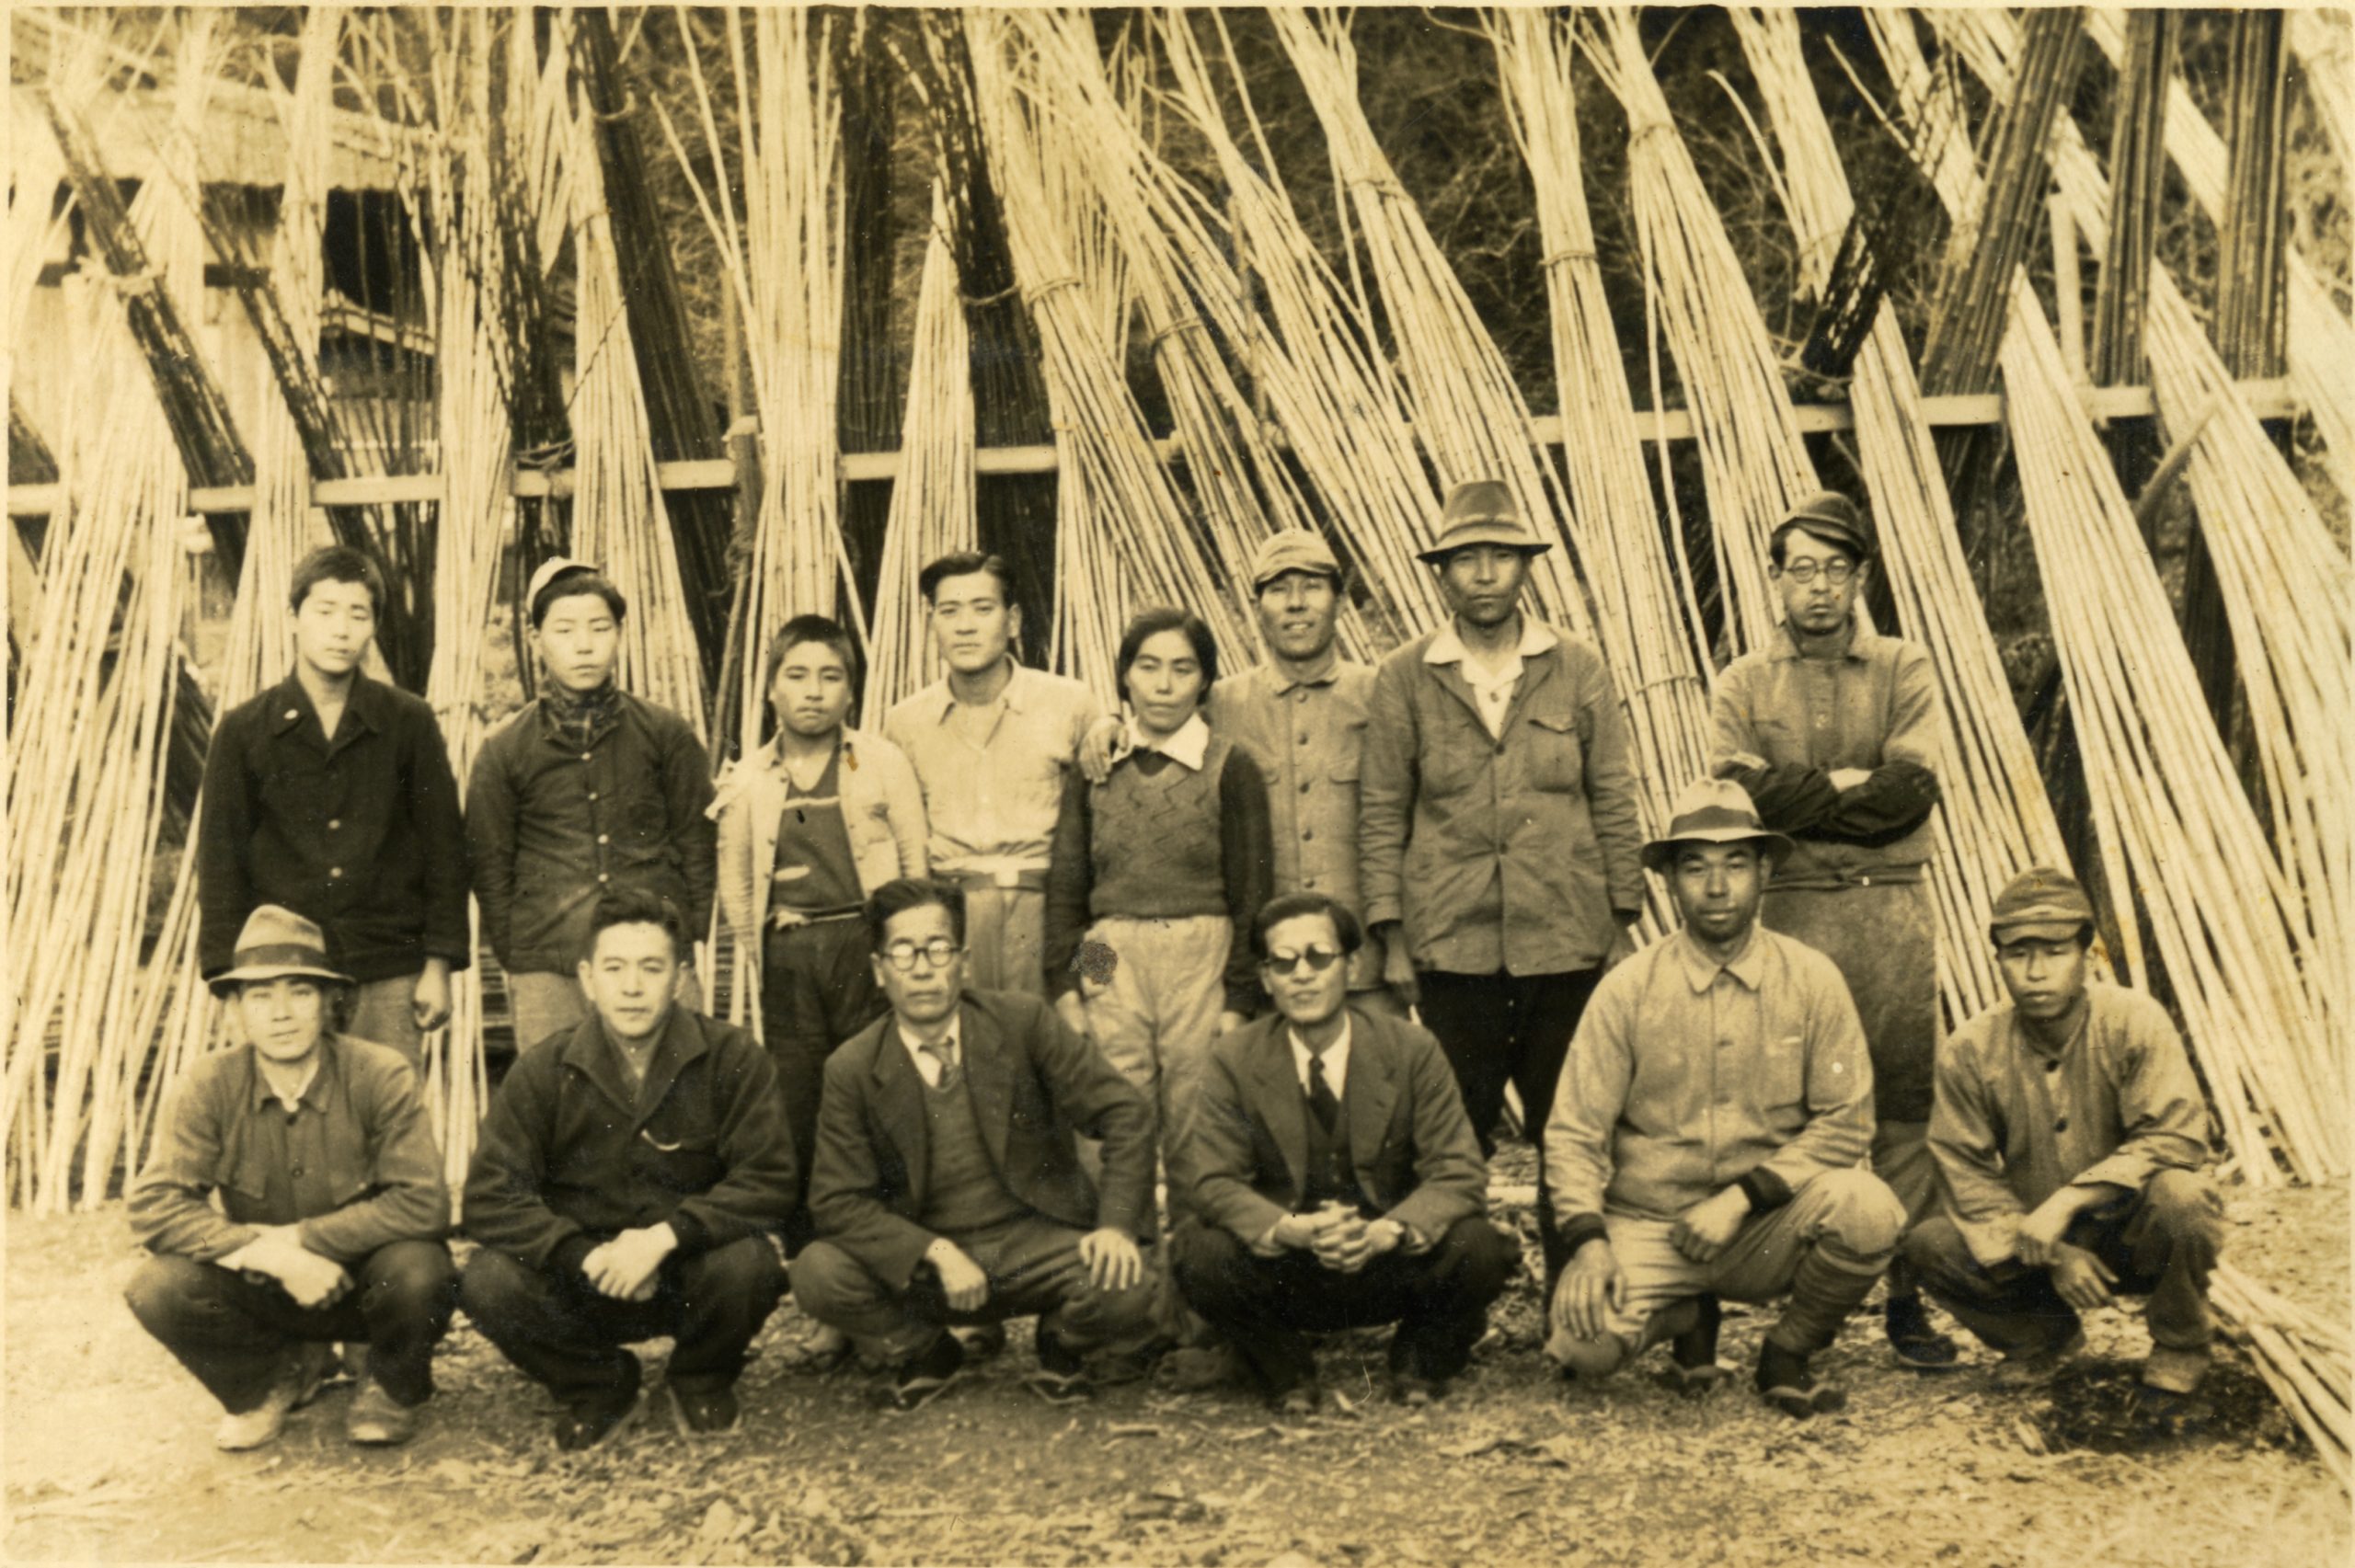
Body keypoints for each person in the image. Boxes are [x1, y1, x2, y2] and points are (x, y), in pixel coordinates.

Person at [1359, 479, 1645, 1290]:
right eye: (1466, 559)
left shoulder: (1577, 667)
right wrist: (1392, 934)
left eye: (1501, 556)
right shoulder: (1405, 676)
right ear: (1441, 573)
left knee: (1569, 1131)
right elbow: (1381, 810)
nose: (1484, 574)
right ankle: (1452, 1305)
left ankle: (1572, 1300)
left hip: (1566, 942)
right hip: (1453, 949)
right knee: (1453, 1136)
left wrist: (1621, 919)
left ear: (1526, 566)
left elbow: (1612, 794)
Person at [1545, 778, 1903, 1419]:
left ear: (1764, 871)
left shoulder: (1812, 978)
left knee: (1868, 1210)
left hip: (1763, 1224)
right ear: (1668, 880)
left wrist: (1740, 1199)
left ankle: (1789, 1350)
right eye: (1695, 866)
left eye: (1736, 863)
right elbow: (1574, 1132)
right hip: (1652, 1223)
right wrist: (1590, 1243)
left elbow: (1848, 1121)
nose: (1717, 887)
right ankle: (1684, 1312)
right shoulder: (1627, 988)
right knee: (1582, 1346)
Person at [1707, 490, 1956, 1369]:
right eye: (1801, 569)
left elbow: (1908, 794)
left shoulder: (1904, 665)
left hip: (1891, 914)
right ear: (1775, 579)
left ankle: (1908, 1300)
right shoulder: (1743, 682)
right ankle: (1802, 1292)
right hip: (1792, 914)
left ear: (1860, 578)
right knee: (1786, 1100)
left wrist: (1804, 792)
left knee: (1903, 1107)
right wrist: (1850, 781)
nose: (1819, 587)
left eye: (1836, 569)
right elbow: (1744, 799)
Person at [792, 879, 1163, 1411]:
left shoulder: (1022, 1022)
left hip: (1032, 1247)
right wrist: (934, 1250)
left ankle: (1062, 1343)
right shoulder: (851, 1067)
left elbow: (1125, 1111)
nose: (923, 969)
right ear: (879, 970)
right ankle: (927, 1350)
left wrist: (1116, 1226)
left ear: (964, 962)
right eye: (903, 952)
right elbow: (836, 1200)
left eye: (938, 949)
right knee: (819, 1273)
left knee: (1130, 1278)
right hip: (928, 1264)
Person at [460, 893, 795, 1449]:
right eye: (614, 968)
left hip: (688, 1274)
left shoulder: (733, 1057)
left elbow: (769, 1180)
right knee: (487, 1281)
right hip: (584, 1279)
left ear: (681, 978)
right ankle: (598, 1384)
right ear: (587, 979)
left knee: (749, 1263)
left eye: (651, 968)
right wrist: (585, 1255)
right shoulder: (542, 1069)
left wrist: (664, 1239)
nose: (632, 987)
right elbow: (490, 1197)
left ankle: (701, 1377)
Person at [125, 906, 457, 1451]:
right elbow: (154, 1205)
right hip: (267, 1283)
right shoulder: (208, 1084)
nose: (281, 1014)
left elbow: (423, 1203)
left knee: (421, 1270)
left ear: (330, 1002)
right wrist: (267, 1254)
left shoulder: (380, 1073)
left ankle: (389, 1384)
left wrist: (302, 1239)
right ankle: (267, 1382)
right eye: (260, 996)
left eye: (300, 992)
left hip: (363, 1278)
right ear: (234, 1010)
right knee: (158, 1286)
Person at [1173, 893, 1517, 1413]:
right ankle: (1285, 1371)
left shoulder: (1411, 1049)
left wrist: (1388, 1232)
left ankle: (1420, 1361)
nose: (1302, 976)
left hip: (1387, 1260)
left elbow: (1459, 1171)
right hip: (1288, 1266)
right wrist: (1290, 1229)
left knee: (1482, 1245)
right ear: (1266, 979)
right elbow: (1214, 1182)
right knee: (1199, 1253)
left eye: (1319, 957)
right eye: (1283, 962)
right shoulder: (1233, 1059)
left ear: (1352, 966)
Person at [1904, 868, 2223, 1410]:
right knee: (1929, 1244)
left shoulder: (2135, 1021)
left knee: (2184, 1199)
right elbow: (1965, 1173)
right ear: (1998, 960)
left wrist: (2071, 1200)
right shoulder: (1971, 1050)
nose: (2035, 973)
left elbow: (2174, 1137)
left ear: (2087, 955)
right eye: (2017, 954)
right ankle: (2043, 1338)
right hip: (2032, 1242)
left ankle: (2181, 1343)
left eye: (2054, 952)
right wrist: (2053, 1252)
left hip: (2134, 1231)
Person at [1045, 607, 1275, 1229]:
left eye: (1182, 668)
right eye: (1148, 667)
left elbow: (1252, 894)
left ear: (1205, 680)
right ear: (1125, 676)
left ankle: (1196, 1268)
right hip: (1111, 947)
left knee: (1196, 1114)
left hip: (1200, 948)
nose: (1164, 685)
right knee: (1114, 1105)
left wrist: (1238, 998)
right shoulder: (1097, 765)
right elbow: (1071, 889)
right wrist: (1070, 986)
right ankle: (1125, 1261)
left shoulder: (1230, 766)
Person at [197, 545, 469, 1070]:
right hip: (283, 973)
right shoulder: (244, 731)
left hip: (389, 966)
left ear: (374, 627)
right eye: (325, 611)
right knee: (292, 1108)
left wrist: (438, 965)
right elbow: (220, 864)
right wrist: (227, 986)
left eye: (358, 614)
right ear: (294, 617)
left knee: (387, 1103)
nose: (341, 630)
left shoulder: (407, 722)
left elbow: (445, 850)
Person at [713, 614, 928, 1252]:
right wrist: (767, 947)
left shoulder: (880, 761)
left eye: (830, 676)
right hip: (789, 959)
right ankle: (813, 1247)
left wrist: (900, 949)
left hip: (866, 950)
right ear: (771, 688)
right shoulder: (748, 778)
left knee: (878, 1087)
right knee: (799, 1100)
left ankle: (891, 1233)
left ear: (851, 690)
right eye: (797, 675)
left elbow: (914, 861)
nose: (813, 691)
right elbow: (738, 885)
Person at [466, 556, 716, 1053]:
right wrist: (520, 954)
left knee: (675, 1084)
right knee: (558, 1089)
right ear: (536, 639)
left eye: (599, 628)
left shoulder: (664, 734)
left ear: (619, 633)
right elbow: (489, 863)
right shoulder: (504, 750)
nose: (584, 645)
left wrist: (685, 937)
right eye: (564, 630)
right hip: (550, 961)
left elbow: (698, 842)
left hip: (655, 953)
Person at [881, 552, 1120, 996]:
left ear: (1012, 621)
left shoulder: (1070, 703)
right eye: (949, 611)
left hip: (1051, 908)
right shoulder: (904, 722)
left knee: (1071, 1023)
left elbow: (1110, 800)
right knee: (969, 1029)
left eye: (982, 608)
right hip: (953, 916)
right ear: (932, 624)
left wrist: (1110, 722)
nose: (965, 626)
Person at [1203, 532, 1396, 1014]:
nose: (1295, 604)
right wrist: (1108, 727)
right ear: (1257, 608)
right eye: (1278, 589)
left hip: (1364, 966)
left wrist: (1400, 947)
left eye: (1311, 586)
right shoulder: (1219, 705)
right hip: (1266, 971)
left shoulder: (1383, 694)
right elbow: (1151, 733)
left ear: (1340, 601)